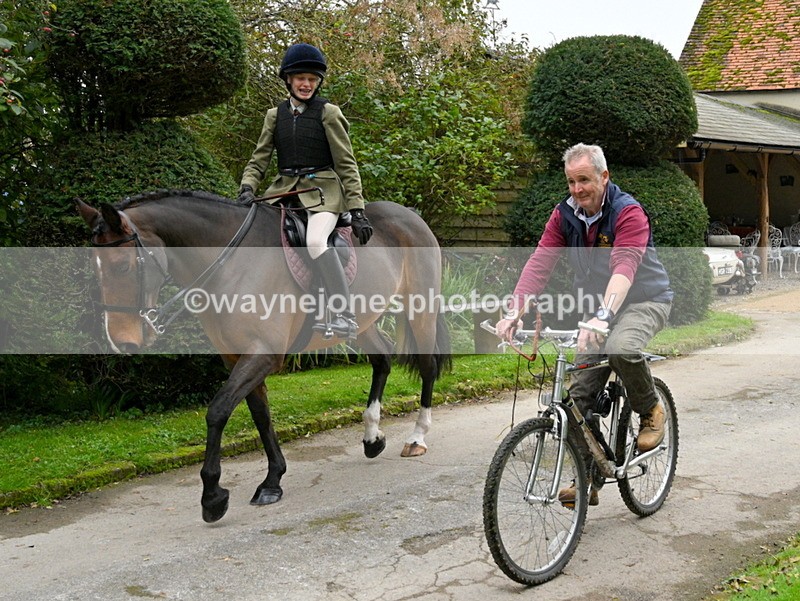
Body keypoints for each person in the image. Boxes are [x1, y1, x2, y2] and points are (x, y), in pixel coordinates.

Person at [495, 143, 673, 507]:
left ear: (604, 177)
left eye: (585, 180)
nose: (577, 189)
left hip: (643, 300)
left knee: (622, 348)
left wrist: (603, 316)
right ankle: (588, 476)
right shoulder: (564, 216)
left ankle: (651, 408)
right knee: (576, 400)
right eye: (571, 181)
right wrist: (515, 311)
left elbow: (624, 267)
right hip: (595, 310)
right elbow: (540, 263)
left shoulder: (628, 212)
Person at [237, 43, 373, 340]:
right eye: (301, 78)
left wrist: (357, 209)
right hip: (283, 191)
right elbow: (259, 158)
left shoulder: (329, 113)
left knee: (314, 241)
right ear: (288, 80)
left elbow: (346, 163)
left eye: (312, 79)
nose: (307, 84)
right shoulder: (274, 115)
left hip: (323, 193)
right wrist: (248, 186)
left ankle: (344, 314)